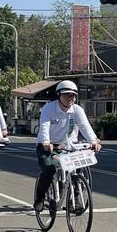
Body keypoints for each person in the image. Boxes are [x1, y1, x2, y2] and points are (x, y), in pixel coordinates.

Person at [33, 80, 101, 211]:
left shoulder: (77, 110)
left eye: (73, 95)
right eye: (67, 95)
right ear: (59, 95)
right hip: (50, 146)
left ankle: (75, 199)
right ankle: (40, 198)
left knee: (78, 168)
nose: (71, 98)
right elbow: (44, 127)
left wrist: (93, 141)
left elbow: (85, 127)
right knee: (49, 168)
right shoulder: (49, 108)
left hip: (70, 147)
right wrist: (46, 142)